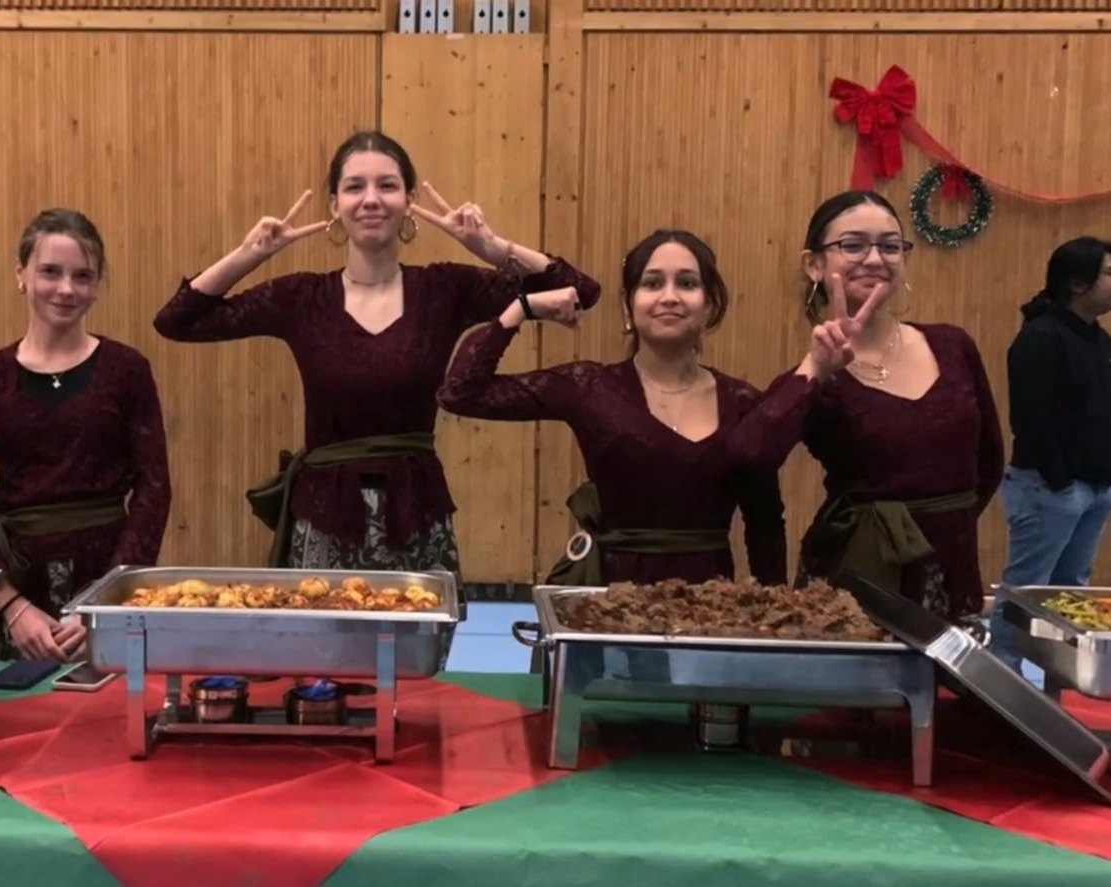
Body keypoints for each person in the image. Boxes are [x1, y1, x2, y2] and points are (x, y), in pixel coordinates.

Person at [153, 130, 600, 574]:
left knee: (423, 624)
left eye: (387, 185)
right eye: (354, 187)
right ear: (335, 205)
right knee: (321, 623)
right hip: (324, 514)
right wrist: (248, 254)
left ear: (408, 201)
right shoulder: (302, 297)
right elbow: (176, 321)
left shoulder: (443, 289)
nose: (371, 199)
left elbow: (580, 291)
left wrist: (491, 247)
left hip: (416, 512)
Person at [438, 229, 787, 588]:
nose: (669, 297)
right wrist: (521, 309)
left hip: (709, 606)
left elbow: (765, 524)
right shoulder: (590, 387)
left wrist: (772, 611)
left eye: (687, 283)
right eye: (652, 283)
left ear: (709, 304)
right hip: (610, 602)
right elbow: (461, 393)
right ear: (627, 305)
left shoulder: (743, 403)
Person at [729, 190, 1004, 623]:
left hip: (952, 570)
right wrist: (816, 369)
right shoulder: (812, 379)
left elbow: (989, 460)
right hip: (854, 580)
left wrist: (944, 526)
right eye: (853, 245)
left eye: (890, 246)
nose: (875, 259)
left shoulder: (952, 346)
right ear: (814, 264)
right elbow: (748, 457)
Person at [0, 209, 172, 662]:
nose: (66, 289)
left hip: (106, 578)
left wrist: (107, 604)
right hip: (15, 583)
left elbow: (154, 489)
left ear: (97, 285)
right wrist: (10, 604)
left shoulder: (126, 370)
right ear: (21, 274)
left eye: (82, 276)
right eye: (50, 272)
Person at [991, 236, 1111, 670]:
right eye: (1109, 273)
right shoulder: (1041, 338)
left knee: (1070, 589)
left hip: (1095, 487)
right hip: (1051, 488)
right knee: (1028, 588)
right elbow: (1032, 419)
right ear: (1078, 283)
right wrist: (1061, 483)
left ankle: (1054, 674)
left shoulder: (1098, 340)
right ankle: (1002, 671)